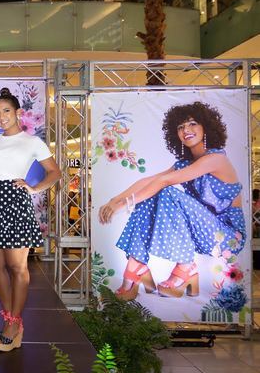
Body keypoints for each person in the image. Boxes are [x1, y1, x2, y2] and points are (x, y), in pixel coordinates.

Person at [98, 101, 245, 300]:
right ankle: (136, 264)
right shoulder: (185, 164)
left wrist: (123, 205)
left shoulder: (216, 159)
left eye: (193, 124)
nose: (186, 130)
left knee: (165, 191)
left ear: (206, 127)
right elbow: (148, 180)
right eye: (181, 127)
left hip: (227, 237)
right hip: (201, 232)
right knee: (153, 193)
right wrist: (114, 200)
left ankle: (185, 267)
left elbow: (164, 181)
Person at [0, 88, 61, 352]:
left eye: (6, 111)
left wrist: (34, 188)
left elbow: (55, 172)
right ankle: (10, 316)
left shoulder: (33, 142)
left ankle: (13, 323)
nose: (2, 117)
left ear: (18, 113)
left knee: (17, 266)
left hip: (16, 203)